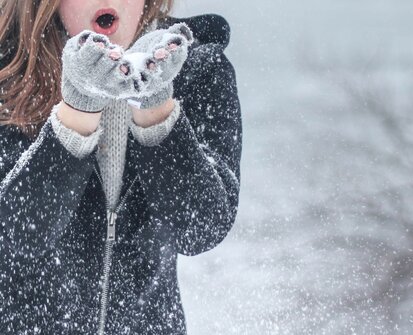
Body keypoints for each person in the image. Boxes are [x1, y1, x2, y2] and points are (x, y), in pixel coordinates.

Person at [0, 0, 242, 334]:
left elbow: (201, 228)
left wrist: (156, 109)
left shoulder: (199, 69)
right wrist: (78, 111)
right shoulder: (7, 71)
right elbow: (17, 233)